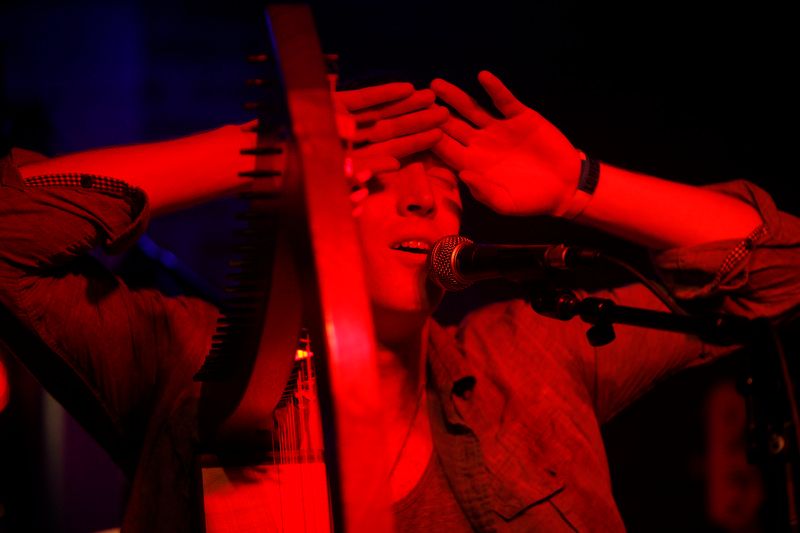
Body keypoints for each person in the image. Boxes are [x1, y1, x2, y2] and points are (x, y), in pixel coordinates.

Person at [0, 67, 798, 532]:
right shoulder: (186, 358)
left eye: (448, 190)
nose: (423, 202)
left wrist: (578, 187)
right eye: (382, 181)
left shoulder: (530, 353)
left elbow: (778, 268)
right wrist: (254, 153)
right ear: (307, 203)